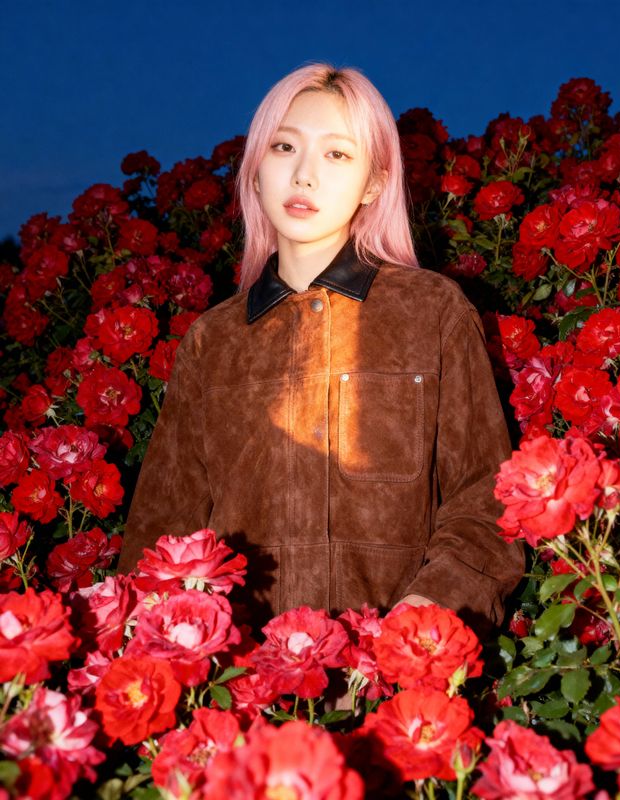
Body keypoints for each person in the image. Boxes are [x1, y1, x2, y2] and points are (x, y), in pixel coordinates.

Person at [116, 62, 524, 635]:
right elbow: (163, 530)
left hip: (392, 686)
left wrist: (430, 611)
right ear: (256, 171)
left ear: (374, 183)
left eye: (337, 154)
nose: (304, 174)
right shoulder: (214, 341)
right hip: (243, 688)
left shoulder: (431, 313)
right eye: (285, 147)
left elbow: (487, 498)